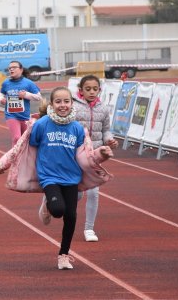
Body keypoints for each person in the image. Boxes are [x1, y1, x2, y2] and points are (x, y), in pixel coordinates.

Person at [29, 86, 112, 270]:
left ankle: (64, 255)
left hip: (71, 177)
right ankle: (49, 204)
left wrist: (102, 154)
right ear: (51, 104)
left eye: (66, 101)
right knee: (58, 210)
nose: (62, 105)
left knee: (71, 216)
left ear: (72, 103)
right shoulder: (42, 125)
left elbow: (85, 155)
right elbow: (31, 146)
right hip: (49, 176)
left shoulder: (77, 129)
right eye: (58, 101)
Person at [73, 75, 118, 242]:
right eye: (88, 89)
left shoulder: (104, 109)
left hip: (95, 156)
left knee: (93, 192)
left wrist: (109, 140)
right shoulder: (74, 108)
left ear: (100, 90)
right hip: (76, 154)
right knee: (76, 194)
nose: (92, 92)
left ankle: (89, 229)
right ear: (81, 90)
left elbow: (106, 130)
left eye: (95, 89)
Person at [0, 61, 42, 145]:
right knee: (16, 138)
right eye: (10, 68)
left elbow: (39, 97)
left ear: (21, 70)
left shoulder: (28, 83)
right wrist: (1, 99)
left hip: (25, 116)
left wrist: (26, 94)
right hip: (11, 115)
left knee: (25, 141)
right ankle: (14, 157)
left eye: (14, 67)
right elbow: (1, 93)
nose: (11, 69)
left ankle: (22, 157)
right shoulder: (6, 83)